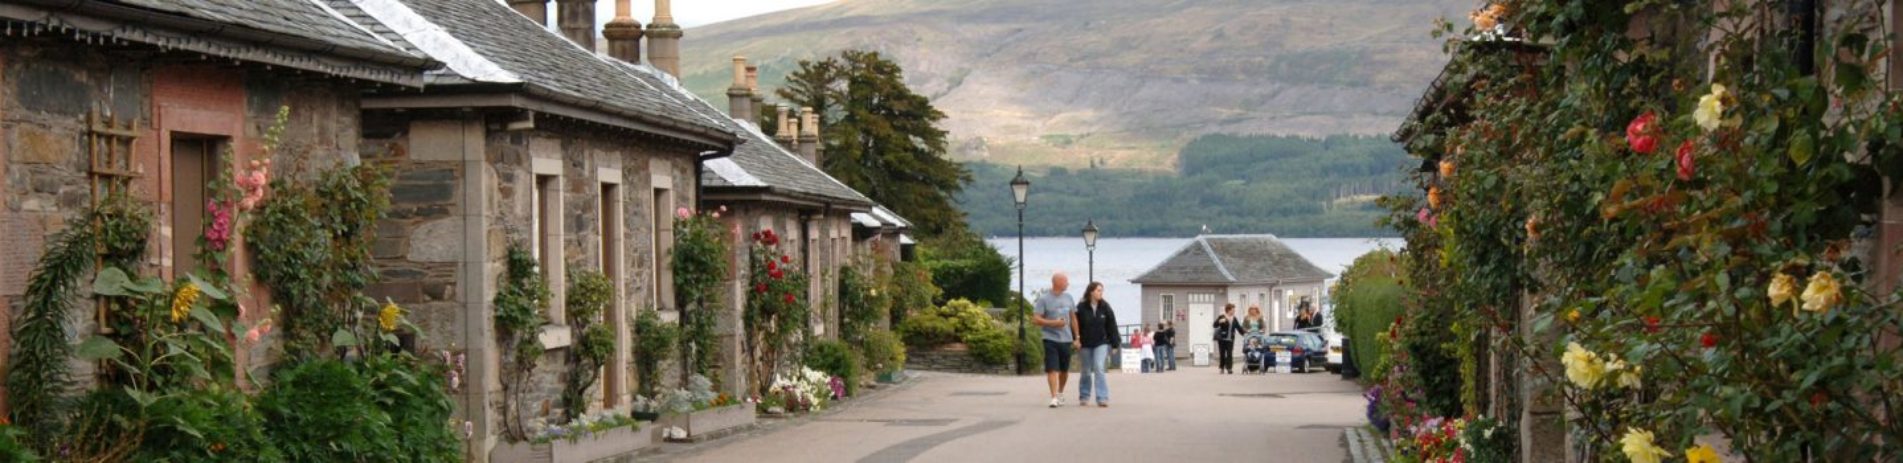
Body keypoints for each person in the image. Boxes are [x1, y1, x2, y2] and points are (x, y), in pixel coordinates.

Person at [1073, 281, 1120, 407]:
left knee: (1099, 367)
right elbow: (1075, 324)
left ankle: (1102, 397)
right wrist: (1075, 339)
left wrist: (1115, 343)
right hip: (1085, 343)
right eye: (1098, 290)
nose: (1101, 293)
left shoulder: (1105, 307)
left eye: (1101, 291)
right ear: (1091, 292)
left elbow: (1112, 325)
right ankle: (1084, 395)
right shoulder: (1081, 307)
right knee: (1086, 370)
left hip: (1101, 342)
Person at [1033, 273, 1076, 408]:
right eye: (1066, 281)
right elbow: (1036, 319)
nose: (1068, 284)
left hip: (1066, 339)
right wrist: (1053, 323)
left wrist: (1077, 337)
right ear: (1057, 282)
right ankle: (1053, 397)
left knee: (1064, 370)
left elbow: (1073, 318)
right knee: (1052, 368)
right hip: (1050, 338)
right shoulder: (1044, 299)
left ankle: (1060, 392)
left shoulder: (1069, 297)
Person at [1214, 303, 1243, 374]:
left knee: (1229, 354)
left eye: (1234, 310)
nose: (1234, 311)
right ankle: (1222, 368)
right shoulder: (1222, 316)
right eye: (1233, 310)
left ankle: (1229, 368)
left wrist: (1245, 333)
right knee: (1222, 354)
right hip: (1222, 339)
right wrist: (1220, 321)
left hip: (1230, 339)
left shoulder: (1234, 318)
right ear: (1228, 310)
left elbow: (1239, 328)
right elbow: (1214, 325)